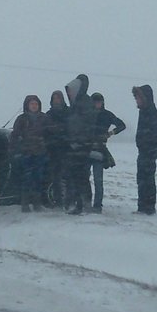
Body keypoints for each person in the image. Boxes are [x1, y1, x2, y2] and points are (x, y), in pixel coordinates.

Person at [10, 95, 51, 212]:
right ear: (27, 105)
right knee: (26, 178)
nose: (34, 106)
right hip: (26, 153)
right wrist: (14, 150)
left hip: (40, 153)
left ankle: (37, 203)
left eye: (36, 104)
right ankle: (25, 203)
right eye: (32, 104)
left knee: (38, 178)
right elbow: (14, 135)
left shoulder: (44, 118)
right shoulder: (21, 119)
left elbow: (51, 133)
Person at [64, 74, 98, 215]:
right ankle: (78, 205)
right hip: (73, 146)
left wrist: (80, 141)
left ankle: (85, 205)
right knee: (74, 177)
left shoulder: (85, 103)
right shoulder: (75, 105)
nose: (69, 94)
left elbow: (86, 126)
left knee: (82, 177)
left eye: (71, 91)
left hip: (82, 147)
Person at [87, 92, 126, 213]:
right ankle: (85, 202)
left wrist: (110, 133)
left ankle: (97, 206)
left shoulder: (107, 115)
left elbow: (122, 125)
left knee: (98, 180)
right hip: (86, 149)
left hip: (100, 149)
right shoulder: (86, 114)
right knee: (83, 178)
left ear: (102, 102)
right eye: (95, 102)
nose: (97, 104)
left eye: (99, 102)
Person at [132, 85, 157, 215]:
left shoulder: (152, 113)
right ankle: (142, 206)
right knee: (142, 179)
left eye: (138, 97)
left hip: (149, 151)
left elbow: (156, 133)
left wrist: (146, 143)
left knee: (147, 179)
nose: (136, 100)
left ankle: (148, 207)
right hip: (143, 150)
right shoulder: (143, 111)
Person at [45, 90, 70, 208]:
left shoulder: (69, 112)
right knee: (54, 177)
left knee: (67, 176)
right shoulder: (48, 114)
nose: (56, 100)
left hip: (67, 148)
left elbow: (72, 128)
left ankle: (69, 200)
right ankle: (57, 200)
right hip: (52, 149)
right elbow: (46, 130)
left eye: (58, 98)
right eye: (54, 98)